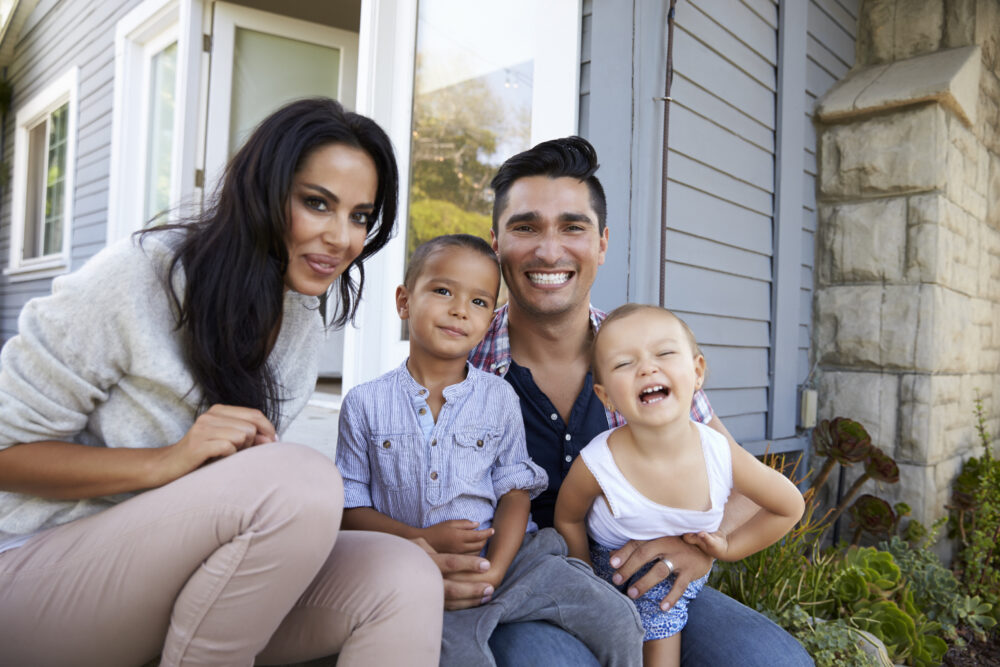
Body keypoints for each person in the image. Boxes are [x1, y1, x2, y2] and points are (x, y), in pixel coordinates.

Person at [0, 98, 443, 666]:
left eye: (360, 216)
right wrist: (165, 462)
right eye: (316, 204)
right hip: (33, 578)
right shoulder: (140, 277)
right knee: (300, 479)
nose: (341, 238)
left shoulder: (299, 311)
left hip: (170, 578)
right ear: (264, 193)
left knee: (402, 574)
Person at [467, 135, 815, 666]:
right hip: (522, 589)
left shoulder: (648, 360)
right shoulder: (462, 365)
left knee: (775, 661)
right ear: (497, 242)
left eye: (573, 227)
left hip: (643, 581)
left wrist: (702, 546)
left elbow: (733, 476)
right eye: (526, 226)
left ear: (602, 243)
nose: (550, 249)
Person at [336, 234, 643, 666]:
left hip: (511, 561)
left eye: (480, 302)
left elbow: (515, 492)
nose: (460, 310)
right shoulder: (364, 404)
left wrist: (496, 570)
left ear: (489, 318)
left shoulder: (498, 397)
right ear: (404, 301)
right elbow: (350, 509)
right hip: (418, 571)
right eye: (443, 291)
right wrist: (420, 539)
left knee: (618, 618)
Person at [555, 303, 805, 666]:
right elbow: (568, 519)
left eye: (665, 353)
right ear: (606, 395)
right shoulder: (598, 463)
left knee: (661, 624)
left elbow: (789, 506)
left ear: (697, 371)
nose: (647, 367)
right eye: (625, 364)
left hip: (670, 579)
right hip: (605, 564)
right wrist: (587, 581)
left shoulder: (719, 453)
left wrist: (728, 546)